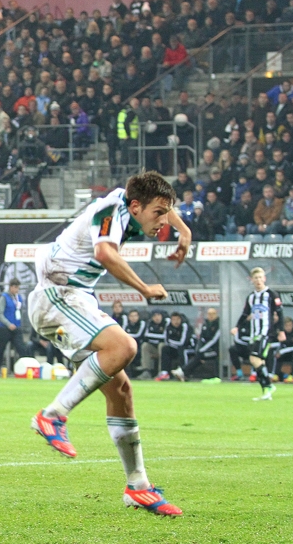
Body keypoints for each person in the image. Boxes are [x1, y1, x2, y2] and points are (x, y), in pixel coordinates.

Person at [29, 171, 191, 515]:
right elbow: (104, 253)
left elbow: (160, 205)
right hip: (58, 292)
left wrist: (184, 230)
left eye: (166, 214)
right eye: (158, 214)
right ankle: (52, 416)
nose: (163, 222)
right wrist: (144, 288)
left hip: (75, 296)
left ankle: (138, 487)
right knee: (124, 347)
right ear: (135, 207)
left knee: (121, 393)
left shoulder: (130, 199)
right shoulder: (110, 214)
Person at [230, 267, 284, 401]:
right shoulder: (251, 297)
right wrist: (237, 327)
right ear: (252, 280)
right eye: (256, 278)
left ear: (264, 278)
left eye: (261, 277)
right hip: (254, 333)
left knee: (254, 359)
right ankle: (266, 390)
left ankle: (268, 385)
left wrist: (281, 330)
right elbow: (245, 314)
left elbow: (280, 313)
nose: (258, 280)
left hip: (266, 332)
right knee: (259, 361)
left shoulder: (271, 294)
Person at [0, 278, 27, 376]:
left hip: (17, 327)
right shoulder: (4, 297)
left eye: (18, 288)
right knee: (0, 349)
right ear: (11, 287)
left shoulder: (19, 298)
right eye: (16, 288)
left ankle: (27, 369)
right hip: (5, 328)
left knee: (22, 348)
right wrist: (8, 324)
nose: (17, 290)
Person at [173, 308, 220, 381]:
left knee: (199, 355)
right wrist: (199, 349)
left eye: (213, 314)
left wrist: (202, 350)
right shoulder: (205, 324)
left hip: (214, 351)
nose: (211, 316)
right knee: (198, 355)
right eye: (209, 314)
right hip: (204, 350)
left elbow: (214, 340)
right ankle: (185, 374)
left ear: (216, 315)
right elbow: (201, 338)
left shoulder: (218, 325)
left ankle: (183, 372)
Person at [155, 312, 194, 380]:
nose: (176, 322)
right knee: (165, 348)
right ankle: (165, 373)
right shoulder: (168, 326)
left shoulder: (185, 326)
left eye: (177, 319)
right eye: (173, 319)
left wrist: (171, 341)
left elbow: (182, 342)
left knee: (182, 350)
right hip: (175, 348)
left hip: (189, 348)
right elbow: (166, 340)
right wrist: (171, 342)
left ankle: (184, 373)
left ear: (180, 319)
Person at [272, 317, 293, 383]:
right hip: (286, 351)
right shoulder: (282, 332)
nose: (288, 327)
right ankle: (275, 374)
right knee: (276, 354)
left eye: (290, 325)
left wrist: (282, 351)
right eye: (286, 326)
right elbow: (280, 343)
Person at [140, 309, 167, 380]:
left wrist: (153, 336)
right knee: (145, 345)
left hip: (165, 350)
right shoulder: (149, 323)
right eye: (154, 316)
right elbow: (146, 336)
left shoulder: (166, 322)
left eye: (158, 315)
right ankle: (146, 371)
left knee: (162, 345)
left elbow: (165, 337)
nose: (157, 317)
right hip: (153, 348)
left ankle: (161, 372)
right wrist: (156, 336)